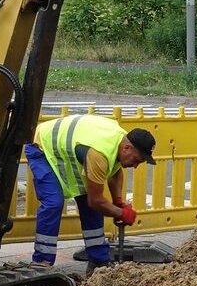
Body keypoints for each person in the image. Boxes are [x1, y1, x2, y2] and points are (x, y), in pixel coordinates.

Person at [24, 114, 155, 269]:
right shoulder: (99, 153)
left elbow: (115, 171)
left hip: (68, 153)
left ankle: (99, 261)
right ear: (127, 148)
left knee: (90, 206)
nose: (135, 166)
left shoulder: (120, 141)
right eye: (137, 160)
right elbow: (96, 201)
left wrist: (118, 201)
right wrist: (120, 213)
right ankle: (41, 261)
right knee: (54, 203)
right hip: (43, 147)